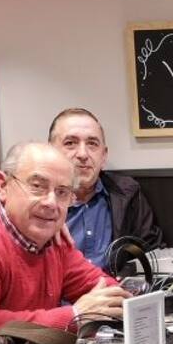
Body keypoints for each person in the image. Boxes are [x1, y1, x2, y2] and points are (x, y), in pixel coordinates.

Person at [0, 142, 130, 330]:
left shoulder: (54, 238)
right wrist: (74, 316)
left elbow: (105, 288)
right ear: (2, 186)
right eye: (37, 186)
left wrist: (118, 301)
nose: (51, 203)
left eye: (62, 192)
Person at [50, 108, 163, 267]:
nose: (83, 154)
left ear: (103, 156)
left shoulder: (127, 193)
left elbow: (152, 253)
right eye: (70, 143)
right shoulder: (37, 204)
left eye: (92, 144)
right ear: (51, 152)